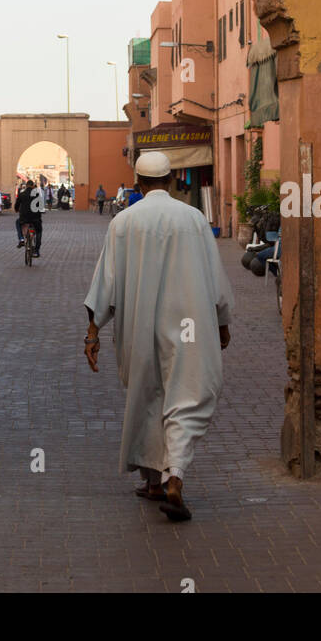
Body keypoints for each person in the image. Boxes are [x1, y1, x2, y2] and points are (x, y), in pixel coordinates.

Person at [83, 149, 234, 524]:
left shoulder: (123, 222)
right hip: (190, 325)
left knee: (148, 393)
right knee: (185, 396)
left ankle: (154, 481)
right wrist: (222, 322)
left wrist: (92, 333)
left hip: (139, 323)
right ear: (169, 181)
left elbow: (106, 282)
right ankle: (171, 478)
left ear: (137, 184)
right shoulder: (194, 219)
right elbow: (215, 279)